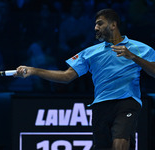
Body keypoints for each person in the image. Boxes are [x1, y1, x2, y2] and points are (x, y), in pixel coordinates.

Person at [15, 9, 155, 150]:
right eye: (95, 25)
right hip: (101, 105)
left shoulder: (140, 48)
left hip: (127, 102)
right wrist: (33, 70)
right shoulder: (90, 52)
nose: (96, 28)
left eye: (100, 24)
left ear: (113, 25)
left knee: (120, 141)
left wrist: (134, 57)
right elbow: (66, 76)